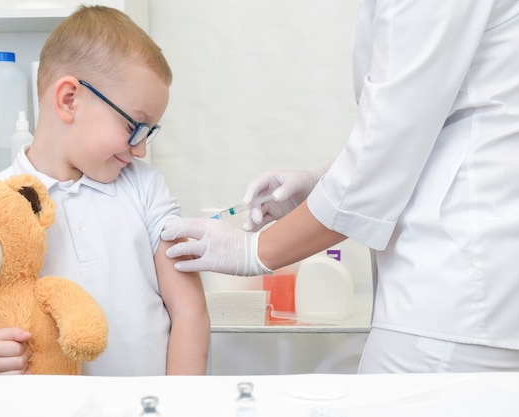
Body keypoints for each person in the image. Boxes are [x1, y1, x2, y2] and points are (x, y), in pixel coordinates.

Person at [162, 0, 519, 373]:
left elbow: (390, 142)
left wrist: (252, 250)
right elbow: (414, 127)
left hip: (460, 288)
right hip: (464, 282)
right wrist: (320, 182)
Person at [0, 5, 210, 376]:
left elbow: (189, 311)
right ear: (70, 99)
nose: (141, 149)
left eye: (149, 132)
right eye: (135, 126)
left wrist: (180, 404)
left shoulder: (145, 187)